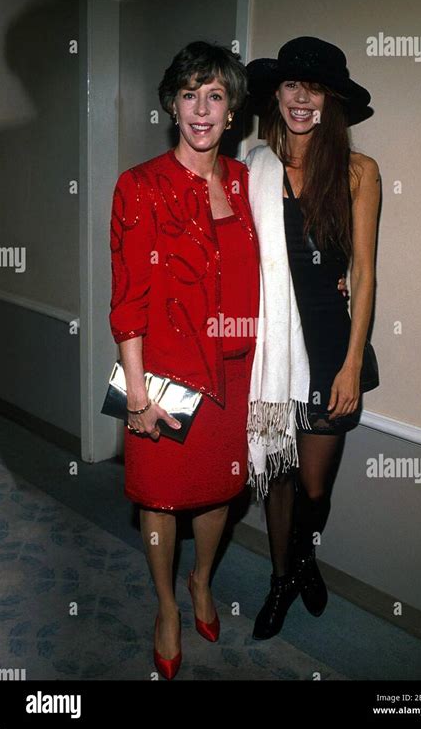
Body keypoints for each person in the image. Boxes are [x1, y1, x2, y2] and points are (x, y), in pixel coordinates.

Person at [108, 41, 260, 679]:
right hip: (165, 375)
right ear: (172, 105)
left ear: (231, 112)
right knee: (160, 498)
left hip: (239, 369)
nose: (202, 108)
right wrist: (137, 394)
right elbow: (128, 298)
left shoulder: (250, 182)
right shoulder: (140, 186)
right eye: (190, 94)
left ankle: (202, 581)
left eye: (216, 95)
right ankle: (168, 606)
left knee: (219, 489)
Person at [244, 37, 380, 639]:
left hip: (329, 348)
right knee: (276, 476)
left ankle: (305, 558)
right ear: (276, 94)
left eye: (315, 87)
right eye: (292, 85)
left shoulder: (358, 171)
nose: (302, 98)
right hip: (272, 352)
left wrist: (351, 365)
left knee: (313, 485)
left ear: (331, 100)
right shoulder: (254, 167)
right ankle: (281, 580)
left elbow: (366, 275)